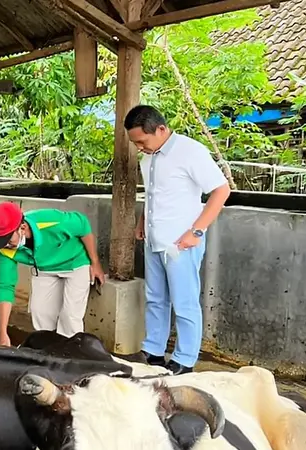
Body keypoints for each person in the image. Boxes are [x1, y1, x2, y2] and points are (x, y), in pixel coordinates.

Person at [125, 104, 231, 375]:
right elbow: (153, 195)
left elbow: (221, 190)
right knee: (155, 298)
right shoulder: (148, 158)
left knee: (184, 301)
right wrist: (141, 223)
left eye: (142, 141)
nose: (139, 147)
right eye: (135, 142)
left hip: (182, 243)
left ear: (160, 129)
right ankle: (153, 350)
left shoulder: (190, 151)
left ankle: (185, 359)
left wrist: (196, 232)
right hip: (154, 239)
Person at [0, 202, 105, 347]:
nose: (4, 245)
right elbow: (6, 286)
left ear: (22, 228)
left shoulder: (50, 220)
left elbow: (83, 225)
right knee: (39, 313)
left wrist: (95, 262)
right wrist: (3, 332)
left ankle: (71, 356)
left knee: (70, 317)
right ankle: (49, 353)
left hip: (75, 264)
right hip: (44, 268)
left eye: (8, 240)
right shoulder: (3, 248)